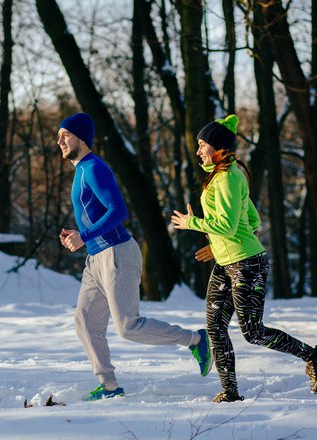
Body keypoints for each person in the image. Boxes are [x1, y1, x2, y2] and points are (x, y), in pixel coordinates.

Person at [170, 115, 317, 403]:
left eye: (202, 145)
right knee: (215, 327)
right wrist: (216, 243)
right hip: (226, 262)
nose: (198, 151)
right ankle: (230, 392)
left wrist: (193, 223)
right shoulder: (224, 175)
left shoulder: (229, 178)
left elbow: (230, 226)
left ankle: (316, 356)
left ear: (218, 147)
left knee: (253, 332)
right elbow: (252, 218)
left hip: (247, 263)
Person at [57, 112, 212, 401]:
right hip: (96, 258)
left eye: (65, 134)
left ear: (81, 137)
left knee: (127, 327)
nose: (59, 140)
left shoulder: (93, 169)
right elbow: (97, 215)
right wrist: (79, 234)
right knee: (85, 321)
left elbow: (118, 211)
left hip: (116, 254)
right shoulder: (81, 171)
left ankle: (196, 340)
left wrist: (85, 235)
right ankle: (109, 386)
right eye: (59, 135)